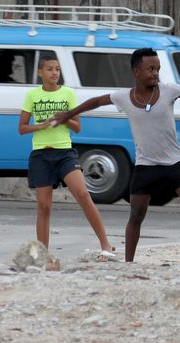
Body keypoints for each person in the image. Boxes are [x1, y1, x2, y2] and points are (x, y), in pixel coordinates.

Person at [51, 47, 180, 264]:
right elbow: (96, 102)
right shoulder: (123, 97)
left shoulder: (169, 90)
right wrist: (69, 114)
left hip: (174, 162)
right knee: (136, 213)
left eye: (158, 68)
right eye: (150, 68)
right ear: (136, 72)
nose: (155, 73)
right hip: (146, 165)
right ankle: (128, 263)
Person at [18, 53, 114, 258]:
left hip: (65, 153)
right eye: (50, 69)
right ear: (40, 72)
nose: (54, 73)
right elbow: (22, 128)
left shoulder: (68, 94)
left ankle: (106, 244)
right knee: (44, 207)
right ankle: (42, 254)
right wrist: (42, 125)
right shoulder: (32, 95)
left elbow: (77, 127)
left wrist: (65, 119)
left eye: (57, 69)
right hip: (41, 154)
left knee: (83, 195)